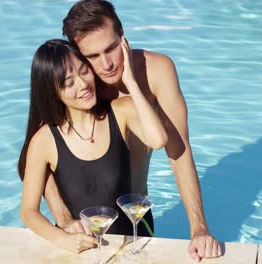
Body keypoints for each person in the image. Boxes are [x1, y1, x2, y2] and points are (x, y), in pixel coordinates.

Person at [43, 0, 222, 261]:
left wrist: (199, 229)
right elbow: (39, 154)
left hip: (134, 216)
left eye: (112, 48)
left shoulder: (156, 71)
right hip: (81, 225)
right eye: (92, 57)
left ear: (123, 37)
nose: (106, 65)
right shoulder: (74, 87)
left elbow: (178, 151)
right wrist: (62, 216)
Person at [19, 38, 167, 253]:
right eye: (69, 83)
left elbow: (158, 140)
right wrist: (62, 238)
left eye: (84, 71)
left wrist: (131, 82)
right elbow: (28, 212)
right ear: (53, 92)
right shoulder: (44, 140)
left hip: (133, 239)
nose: (83, 84)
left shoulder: (121, 111)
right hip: (84, 245)